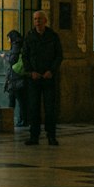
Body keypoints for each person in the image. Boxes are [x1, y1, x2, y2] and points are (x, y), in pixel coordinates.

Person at [22, 9, 63, 145]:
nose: (37, 22)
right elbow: (25, 57)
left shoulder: (53, 36)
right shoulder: (29, 37)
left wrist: (51, 70)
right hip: (34, 78)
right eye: (35, 19)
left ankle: (51, 135)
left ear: (45, 21)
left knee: (50, 108)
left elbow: (59, 56)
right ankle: (34, 136)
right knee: (34, 108)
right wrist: (31, 72)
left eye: (40, 19)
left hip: (48, 78)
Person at [4, 29, 27, 126]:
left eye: (8, 38)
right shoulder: (22, 43)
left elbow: (12, 60)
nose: (8, 41)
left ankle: (17, 120)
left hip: (16, 76)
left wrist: (5, 56)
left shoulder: (16, 45)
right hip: (20, 76)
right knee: (20, 100)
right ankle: (21, 120)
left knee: (16, 99)